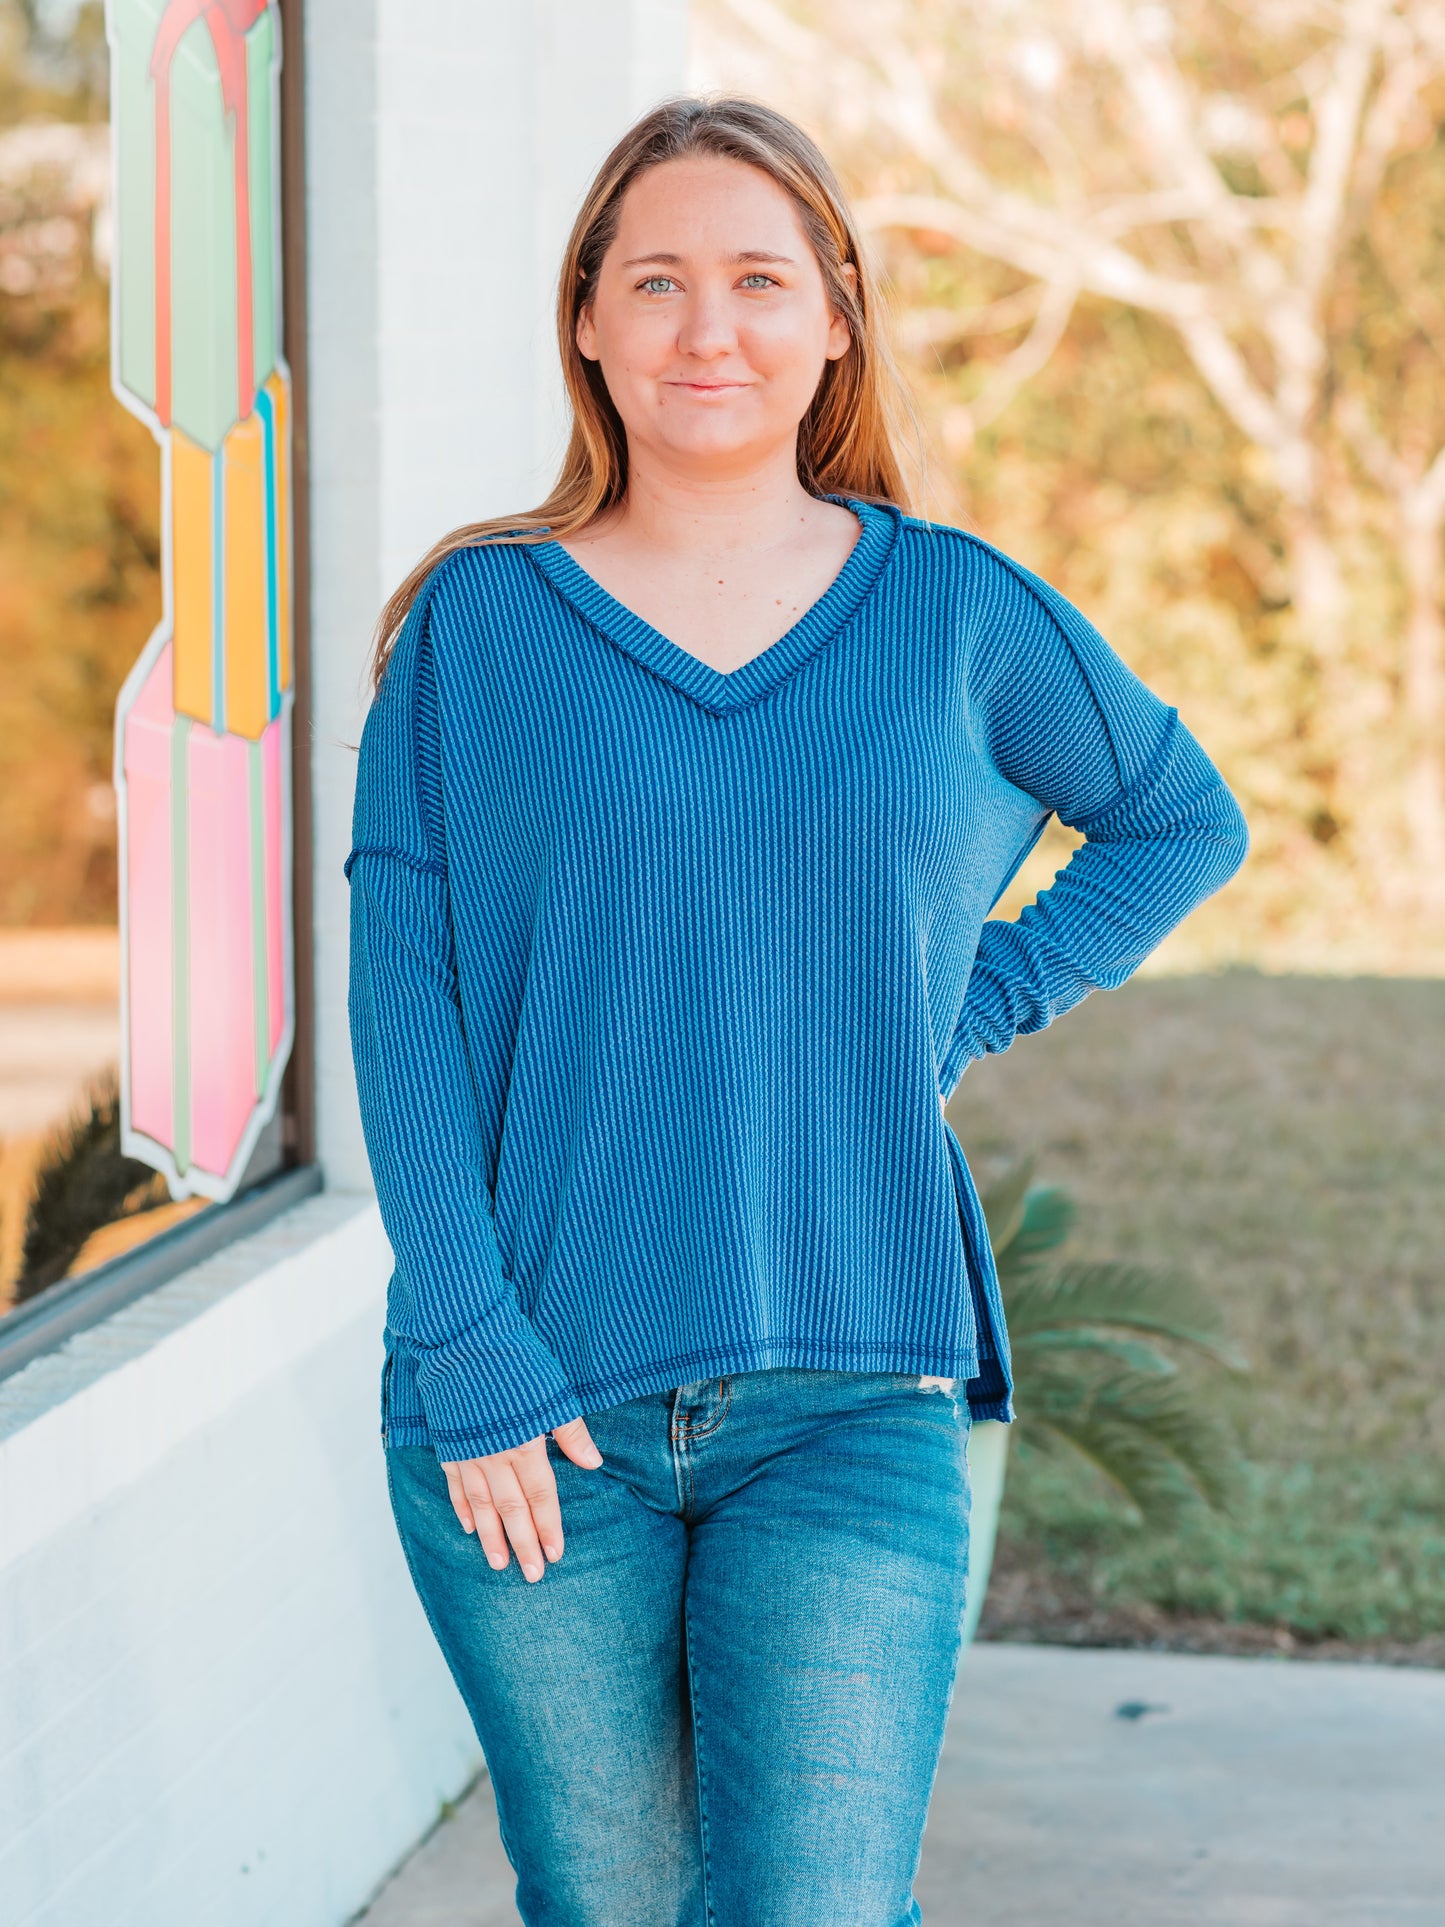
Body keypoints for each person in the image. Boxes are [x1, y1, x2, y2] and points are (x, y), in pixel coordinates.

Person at [345, 94, 1248, 1927]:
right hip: (536, 1406)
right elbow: (403, 1003)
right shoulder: (473, 627)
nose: (707, 329)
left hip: (850, 1383)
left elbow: (1178, 818)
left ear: (835, 316)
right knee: (601, 1908)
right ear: (585, 318)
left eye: (759, 279)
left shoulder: (954, 618)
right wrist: (468, 1346)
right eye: (654, 279)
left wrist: (964, 999)